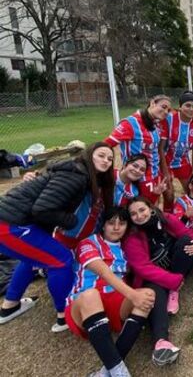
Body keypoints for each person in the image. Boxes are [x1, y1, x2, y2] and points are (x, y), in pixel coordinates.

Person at [0, 142, 114, 332]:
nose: (106, 161)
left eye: (110, 159)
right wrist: (70, 221)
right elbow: (42, 209)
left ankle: (10, 306)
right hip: (11, 225)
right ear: (89, 155)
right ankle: (64, 315)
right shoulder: (77, 175)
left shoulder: (76, 172)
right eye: (101, 155)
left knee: (32, 259)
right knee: (61, 260)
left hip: (13, 221)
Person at [65, 207, 155, 377]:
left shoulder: (125, 250)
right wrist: (133, 295)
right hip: (83, 307)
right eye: (111, 223)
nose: (116, 227)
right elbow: (104, 272)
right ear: (103, 225)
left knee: (148, 295)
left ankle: (107, 371)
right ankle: (120, 373)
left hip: (114, 303)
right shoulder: (88, 243)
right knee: (91, 295)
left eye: (121, 223)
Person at [124, 197, 193, 366]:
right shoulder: (132, 238)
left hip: (176, 267)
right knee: (155, 292)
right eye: (133, 214)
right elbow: (144, 269)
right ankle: (161, 343)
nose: (139, 216)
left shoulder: (166, 218)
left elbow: (188, 234)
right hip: (156, 277)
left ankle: (174, 292)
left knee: (187, 242)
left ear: (151, 208)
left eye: (142, 210)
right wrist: (172, 280)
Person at [105, 94, 171, 203]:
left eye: (168, 110)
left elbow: (155, 151)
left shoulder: (156, 124)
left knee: (153, 204)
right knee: (143, 208)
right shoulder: (130, 123)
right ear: (152, 103)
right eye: (163, 107)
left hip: (155, 173)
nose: (165, 112)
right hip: (139, 175)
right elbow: (106, 145)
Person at [159, 91, 193, 212]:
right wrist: (165, 171)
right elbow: (161, 148)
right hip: (165, 160)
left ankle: (191, 219)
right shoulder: (169, 119)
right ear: (180, 107)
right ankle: (168, 220)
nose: (191, 109)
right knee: (169, 194)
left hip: (182, 160)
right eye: (187, 105)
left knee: (192, 190)